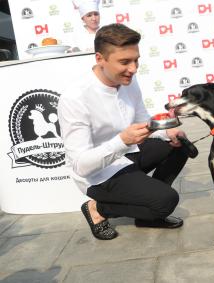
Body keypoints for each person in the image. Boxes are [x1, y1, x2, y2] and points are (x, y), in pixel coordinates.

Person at [58, 24, 188, 240]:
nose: (134, 68)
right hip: (98, 175)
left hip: (127, 154)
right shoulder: (75, 98)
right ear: (100, 58)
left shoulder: (128, 79)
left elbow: (141, 121)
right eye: (125, 62)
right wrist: (121, 141)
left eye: (136, 60)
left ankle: (147, 208)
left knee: (179, 147)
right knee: (167, 201)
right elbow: (81, 166)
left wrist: (167, 133)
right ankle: (98, 209)